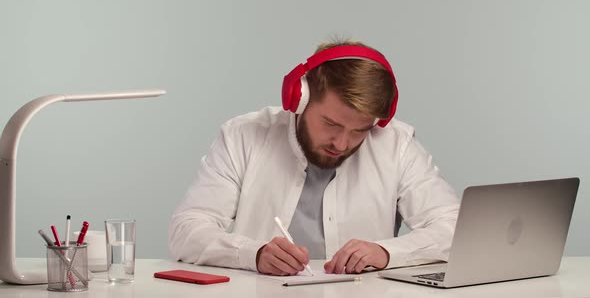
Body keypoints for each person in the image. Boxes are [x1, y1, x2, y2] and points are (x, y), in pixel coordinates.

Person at [169, 40, 460, 276]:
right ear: (300, 100)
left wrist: (386, 253)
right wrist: (252, 254)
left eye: (360, 130)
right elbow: (187, 229)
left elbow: (454, 228)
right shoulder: (243, 136)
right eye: (331, 124)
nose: (342, 143)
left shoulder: (397, 145)